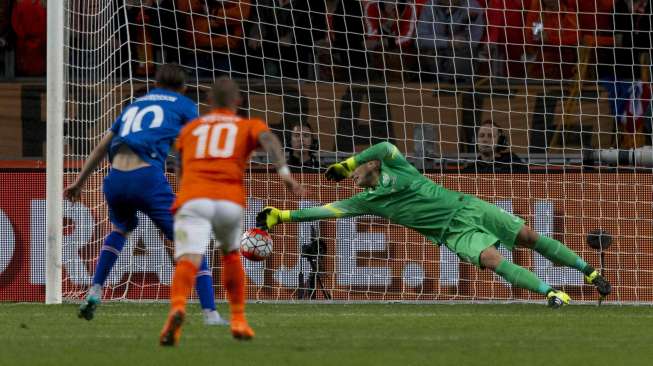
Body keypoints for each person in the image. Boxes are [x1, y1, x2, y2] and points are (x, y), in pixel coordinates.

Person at [256, 142, 612, 307]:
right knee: (491, 260)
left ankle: (588, 270)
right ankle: (549, 293)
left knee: (528, 235)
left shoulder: (396, 166)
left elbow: (383, 145)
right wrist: (282, 216)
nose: (353, 179)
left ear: (372, 167)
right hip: (453, 232)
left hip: (468, 206)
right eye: (352, 173)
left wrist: (349, 162)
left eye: (358, 171)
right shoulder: (367, 201)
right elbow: (325, 211)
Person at [64, 64, 226, 326]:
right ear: (183, 87)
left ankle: (95, 290)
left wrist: (79, 183)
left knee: (120, 229)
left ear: (155, 84)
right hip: (146, 178)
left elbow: (101, 147)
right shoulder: (184, 105)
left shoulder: (134, 106)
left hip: (114, 180)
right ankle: (211, 314)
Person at [159, 77, 303, 346]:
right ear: (238, 102)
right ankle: (238, 318)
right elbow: (270, 140)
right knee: (230, 255)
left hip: (193, 197)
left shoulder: (191, 129)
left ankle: (177, 309)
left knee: (189, 259)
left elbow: (178, 166)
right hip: (228, 199)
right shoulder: (247, 125)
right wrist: (285, 174)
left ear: (208, 102)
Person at [416, 0, 485, 82]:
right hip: (433, 61)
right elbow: (420, 39)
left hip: (461, 61)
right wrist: (448, 42)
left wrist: (461, 42)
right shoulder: (429, 5)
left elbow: (474, 42)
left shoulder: (473, 8)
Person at [463, 120, 527, 173]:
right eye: (481, 136)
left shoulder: (513, 163)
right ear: (475, 141)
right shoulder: (470, 170)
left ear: (500, 141)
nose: (485, 140)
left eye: (490, 136)